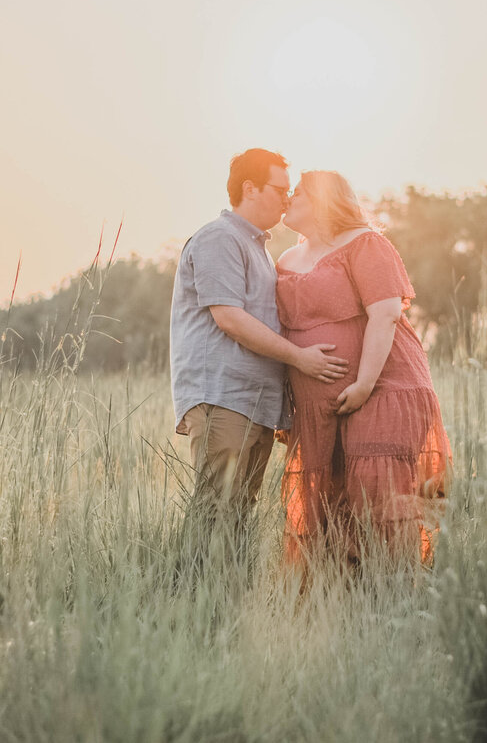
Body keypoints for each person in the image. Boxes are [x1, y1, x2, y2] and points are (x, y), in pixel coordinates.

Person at [170, 149, 349, 565]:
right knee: (216, 510)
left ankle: (223, 604)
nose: (286, 199)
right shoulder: (220, 238)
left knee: (237, 513)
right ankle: (192, 604)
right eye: (279, 189)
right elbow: (229, 318)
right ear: (249, 189)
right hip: (224, 395)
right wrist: (301, 359)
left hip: (255, 401)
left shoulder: (261, 251)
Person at [276, 170, 451, 569]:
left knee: (377, 492)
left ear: (322, 200)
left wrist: (363, 385)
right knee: (329, 495)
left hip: (381, 387)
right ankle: (339, 601)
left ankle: (392, 593)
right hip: (319, 405)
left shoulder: (365, 244)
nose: (288, 198)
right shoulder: (286, 259)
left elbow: (386, 314)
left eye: (297, 194)